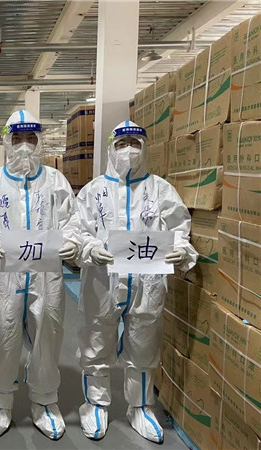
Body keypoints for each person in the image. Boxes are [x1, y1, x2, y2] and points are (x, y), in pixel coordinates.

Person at [0, 109, 81, 440]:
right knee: (1, 334)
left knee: (48, 334)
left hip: (46, 274)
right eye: (17, 138)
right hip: (3, 273)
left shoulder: (55, 180)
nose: (24, 145)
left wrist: (72, 241)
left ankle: (45, 399)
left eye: (31, 138)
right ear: (7, 142)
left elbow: (73, 220)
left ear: (39, 141)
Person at [75, 121, 197, 443]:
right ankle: (95, 404)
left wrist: (180, 250)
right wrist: (90, 248)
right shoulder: (94, 191)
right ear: (110, 149)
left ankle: (140, 407)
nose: (128, 150)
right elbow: (77, 231)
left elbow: (179, 228)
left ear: (144, 148)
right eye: (121, 143)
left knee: (144, 345)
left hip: (148, 284)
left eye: (135, 143)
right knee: (96, 341)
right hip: (102, 280)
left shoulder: (160, 189)